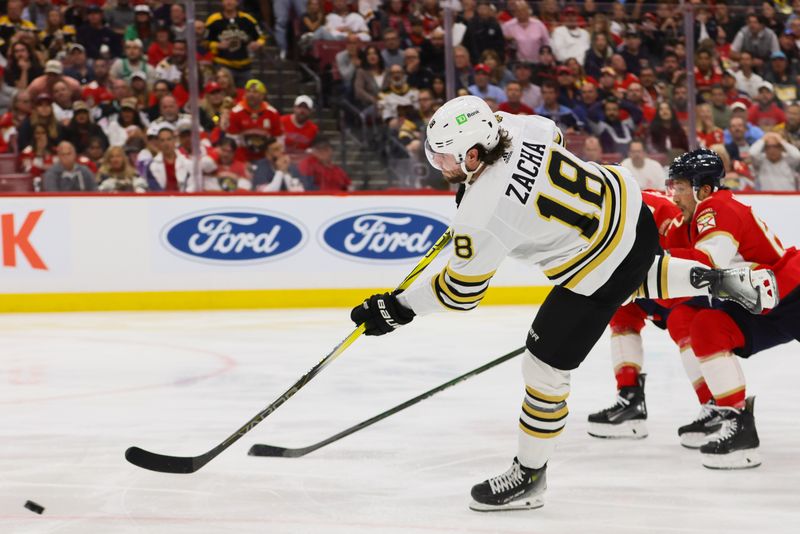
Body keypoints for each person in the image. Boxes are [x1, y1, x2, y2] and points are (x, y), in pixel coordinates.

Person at [348, 96, 777, 511]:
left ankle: (529, 475)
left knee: (543, 367)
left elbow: (459, 293)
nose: (439, 166)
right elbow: (551, 134)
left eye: (445, 158)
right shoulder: (515, 126)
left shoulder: (483, 213)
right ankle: (718, 278)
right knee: (629, 276)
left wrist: (397, 308)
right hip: (630, 211)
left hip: (599, 266)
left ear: (474, 155)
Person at [663, 149, 799, 468]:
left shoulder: (715, 208)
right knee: (707, 327)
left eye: (681, 187)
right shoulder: (701, 214)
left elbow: (708, 264)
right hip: (761, 304)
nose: (675, 195)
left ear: (704, 189)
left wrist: (645, 275)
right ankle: (737, 425)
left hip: (791, 293)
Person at [204, 0, 265, 85]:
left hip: (245, 66)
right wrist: (217, 45)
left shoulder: (247, 19)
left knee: (245, 94)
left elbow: (261, 37)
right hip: (223, 65)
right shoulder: (213, 19)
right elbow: (204, 41)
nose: (229, 2)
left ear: (237, 2)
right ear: (222, 2)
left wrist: (258, 43)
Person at [145, 125, 194, 191]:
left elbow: (192, 185)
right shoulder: (152, 166)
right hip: (161, 199)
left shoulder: (187, 163)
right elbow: (154, 188)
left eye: (169, 139)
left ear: (174, 141)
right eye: (162, 140)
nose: (166, 143)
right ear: (158, 143)